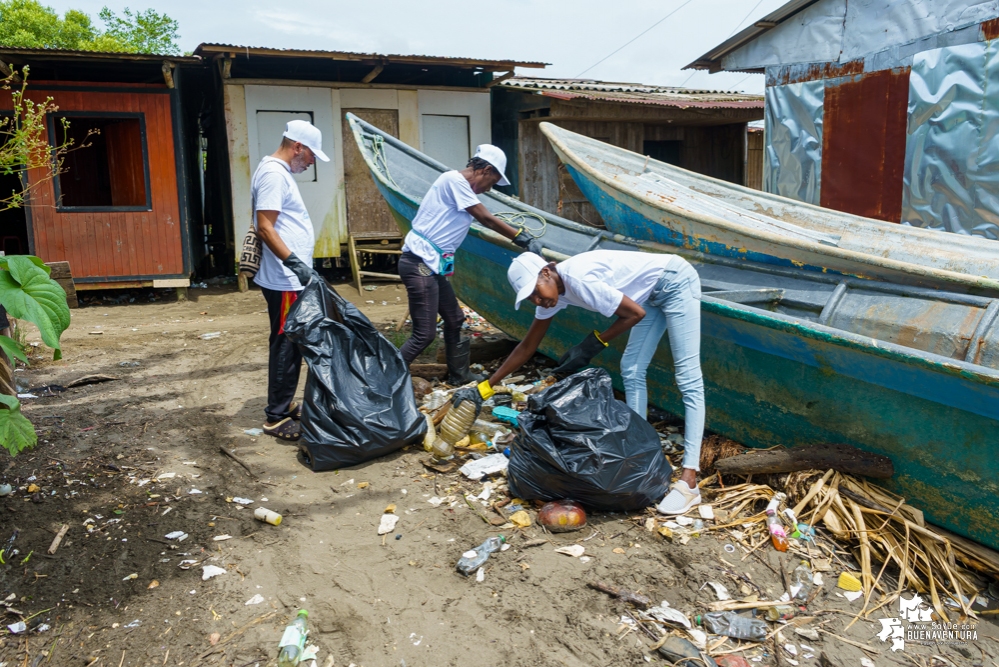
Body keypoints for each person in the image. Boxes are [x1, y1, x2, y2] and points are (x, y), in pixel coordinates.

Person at [453, 250, 706, 515]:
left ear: (547, 272)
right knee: (631, 370)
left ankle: (689, 481)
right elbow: (527, 346)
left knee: (687, 376)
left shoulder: (578, 278)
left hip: (673, 280)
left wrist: (593, 344)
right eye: (531, 298)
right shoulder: (552, 294)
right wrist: (485, 387)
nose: (538, 300)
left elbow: (634, 314)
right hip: (648, 294)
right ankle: (638, 455)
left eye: (537, 291)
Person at [399, 144, 542, 384]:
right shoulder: (453, 181)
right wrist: (521, 237)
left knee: (455, 319)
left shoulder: (462, 189)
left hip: (432, 266)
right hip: (419, 264)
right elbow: (485, 218)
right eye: (492, 182)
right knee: (424, 334)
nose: (489, 189)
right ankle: (382, 378)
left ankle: (459, 375)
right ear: (485, 170)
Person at [252, 119, 329, 441]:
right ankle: (276, 416)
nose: (312, 161)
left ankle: (283, 403)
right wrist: (295, 264)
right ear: (297, 146)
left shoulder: (277, 172)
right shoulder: (272, 173)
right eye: (311, 155)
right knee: (286, 345)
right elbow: (265, 227)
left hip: (290, 277)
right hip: (285, 279)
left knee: (292, 343)